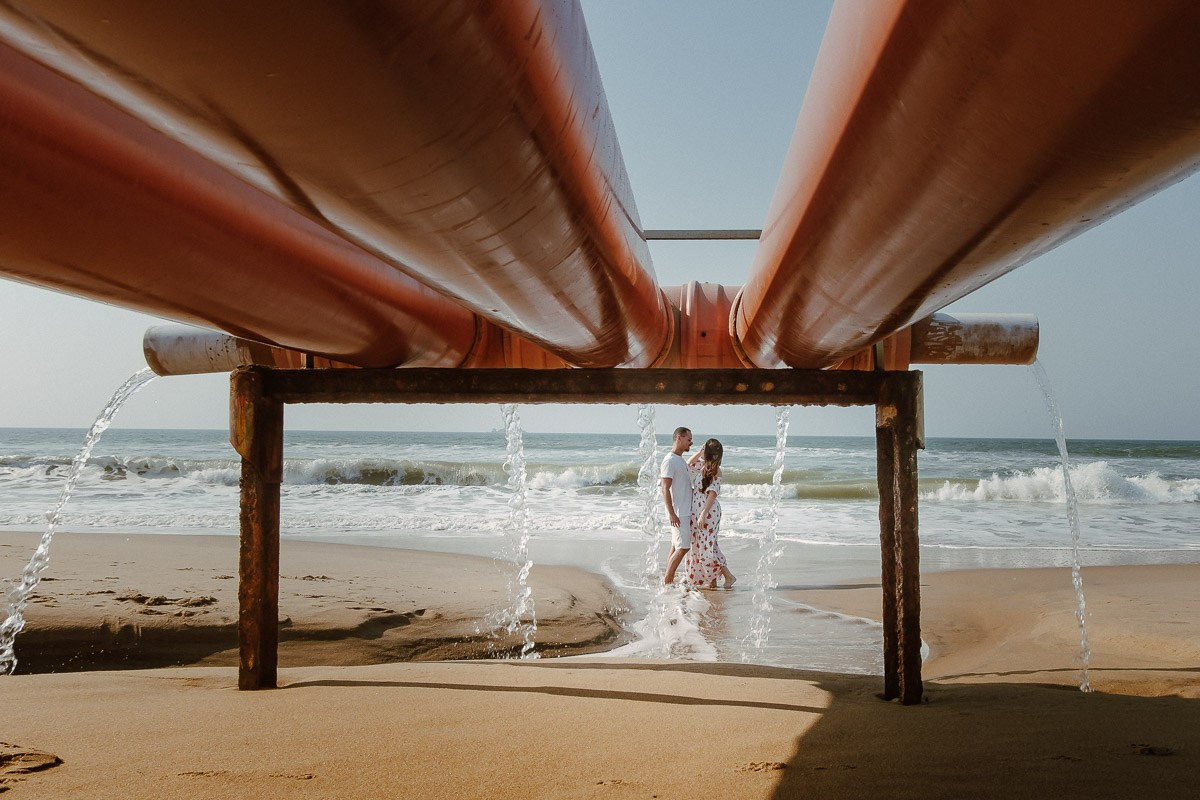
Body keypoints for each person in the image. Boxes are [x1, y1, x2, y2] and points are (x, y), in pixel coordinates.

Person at [683, 438, 736, 589]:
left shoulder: (716, 471)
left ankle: (728, 576)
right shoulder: (703, 466)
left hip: (708, 511)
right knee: (701, 545)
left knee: (708, 547)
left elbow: (713, 494)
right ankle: (711, 580)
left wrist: (703, 514)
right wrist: (699, 452)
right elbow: (688, 464)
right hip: (699, 510)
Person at [660, 426, 693, 584]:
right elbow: (665, 488)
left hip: (683, 510)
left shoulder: (679, 459)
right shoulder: (669, 460)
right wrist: (672, 513)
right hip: (679, 512)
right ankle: (667, 580)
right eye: (688, 440)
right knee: (683, 547)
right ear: (678, 438)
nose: (690, 443)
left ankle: (668, 578)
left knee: (675, 546)